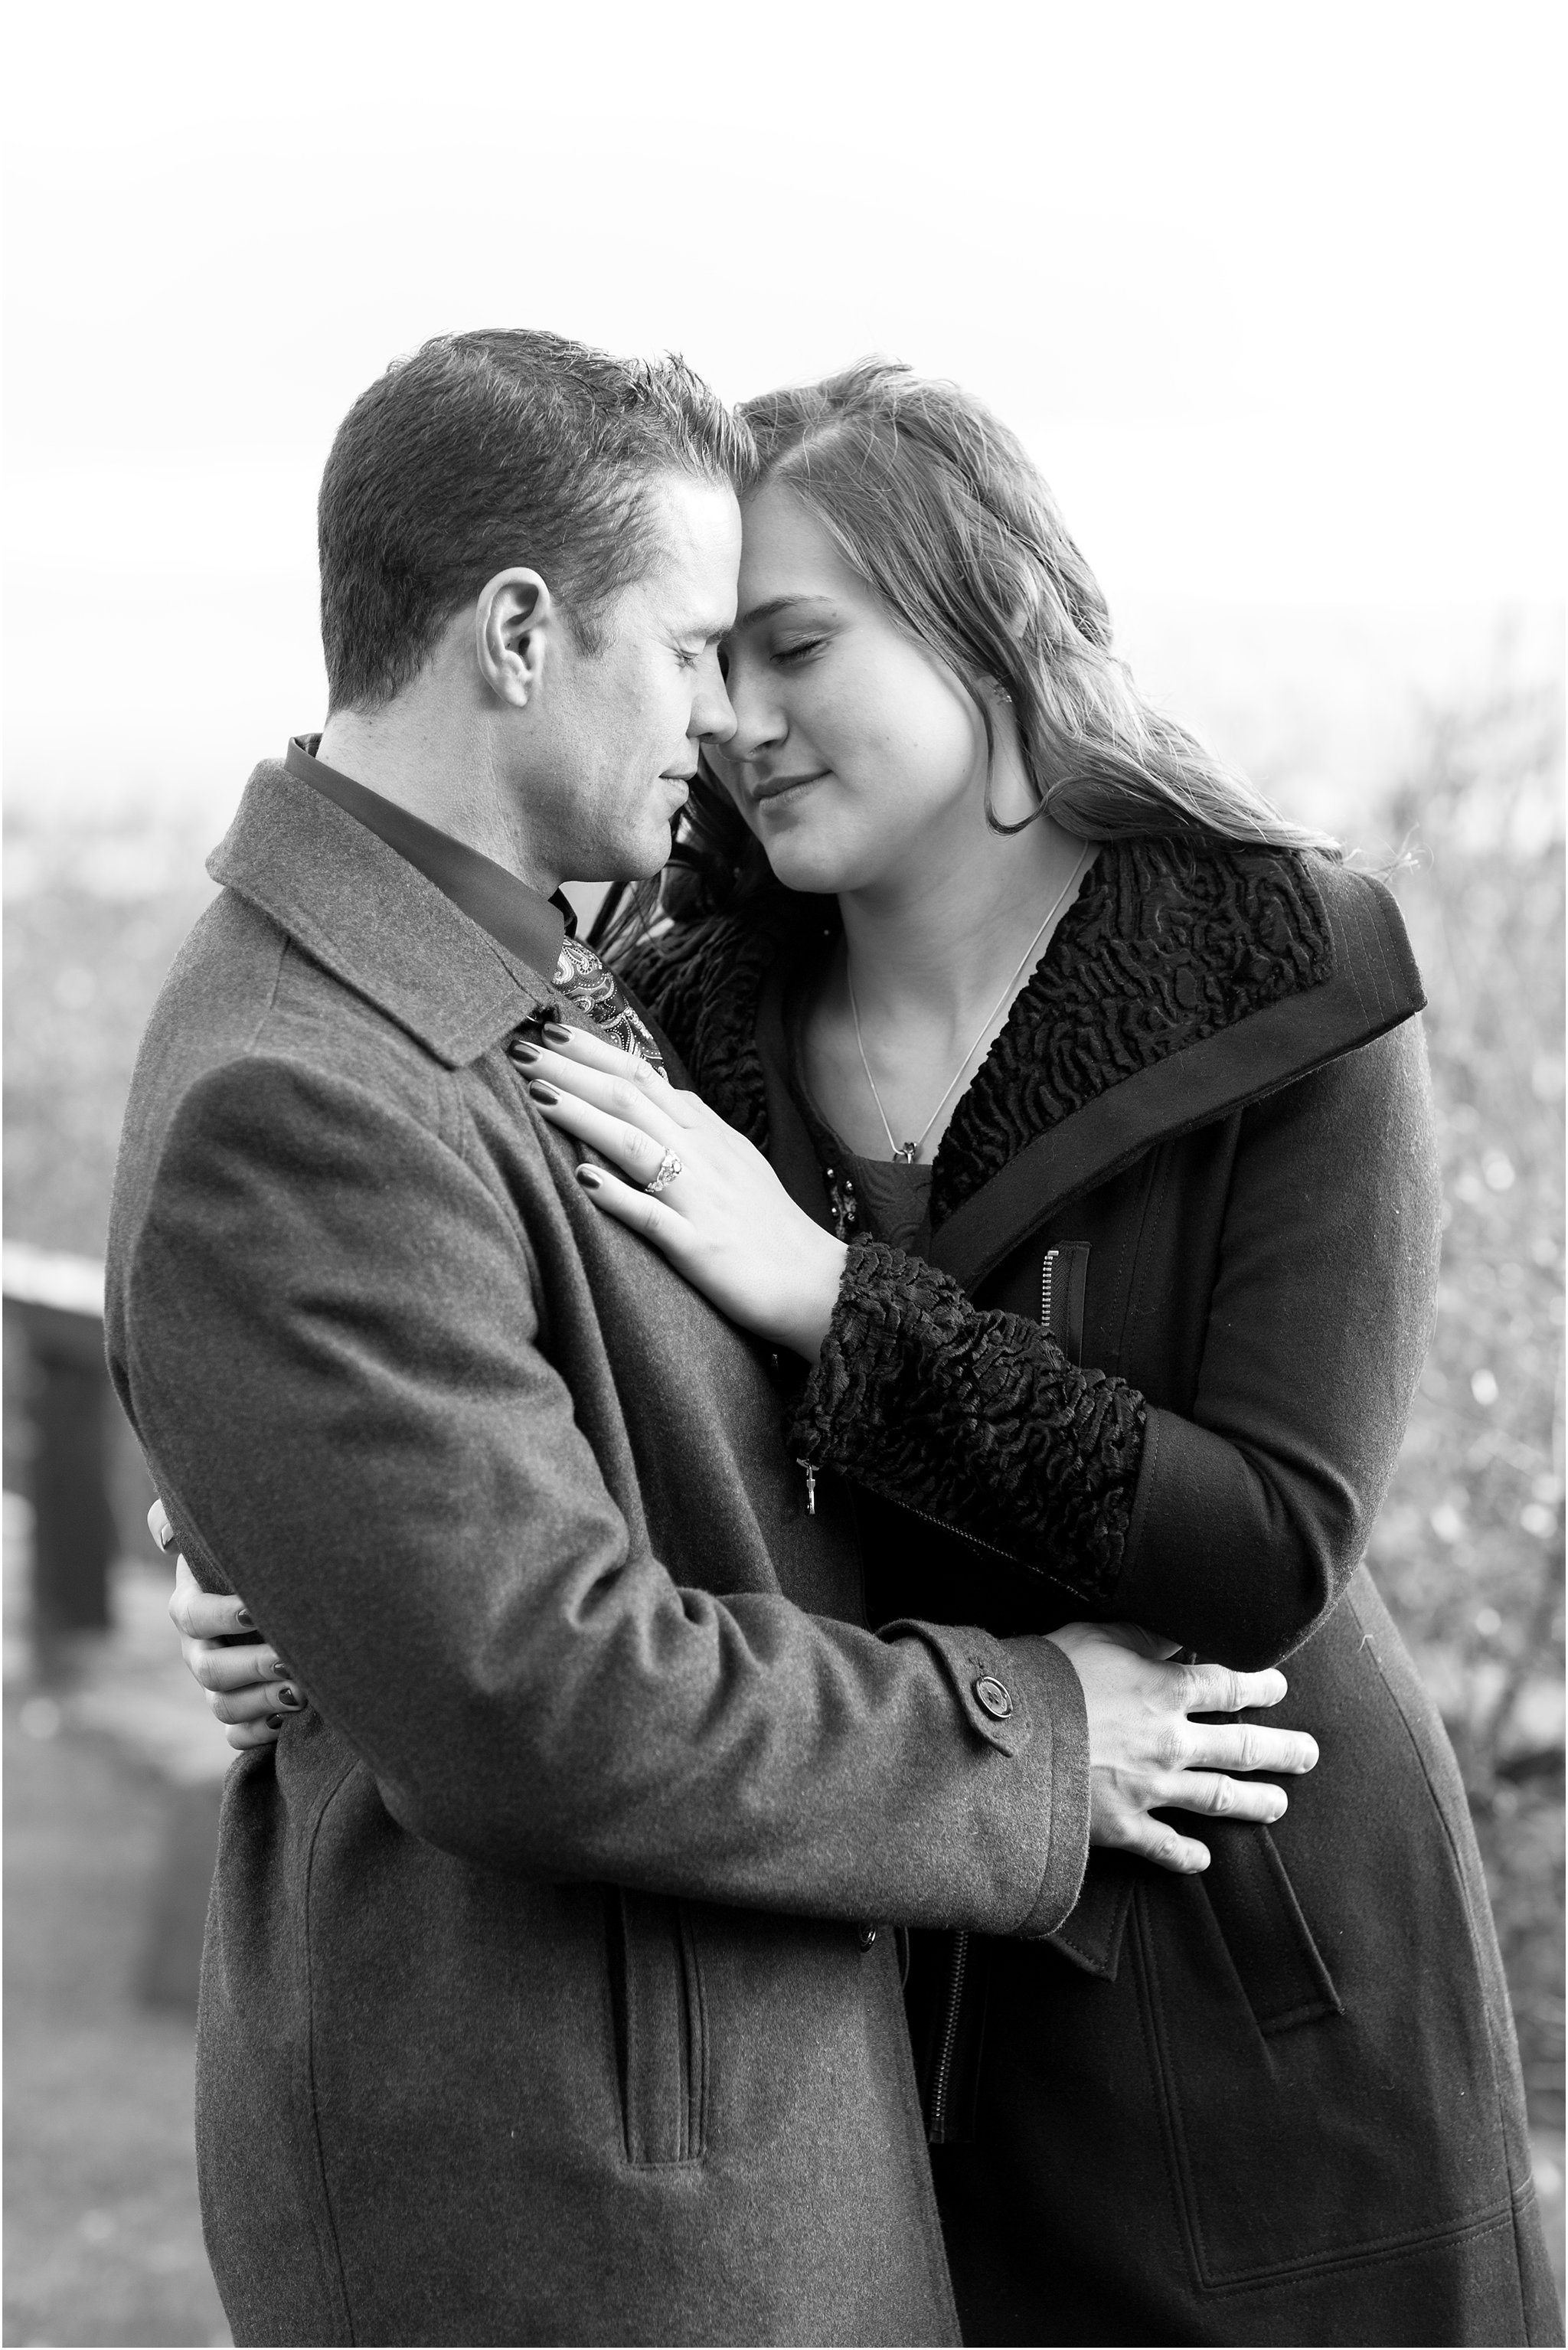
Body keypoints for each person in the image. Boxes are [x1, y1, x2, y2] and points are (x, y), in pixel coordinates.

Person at [109, 329, 1315, 2350]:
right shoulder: (308, 1088)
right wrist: (1029, 1742)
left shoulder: (545, 981)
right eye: (683, 647)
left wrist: (276, 1546)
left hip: (696, 2127)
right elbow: (549, 1698)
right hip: (570, 2199)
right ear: (516, 634)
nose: (722, 716)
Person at [466, 363, 1561, 2345]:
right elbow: (413, 1290)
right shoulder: (665, 1027)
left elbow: (1264, 1544)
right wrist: (242, 1561)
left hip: (1251, 1977)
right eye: (714, 659)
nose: (738, 722)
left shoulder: (1290, 972)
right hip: (836, 2001)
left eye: (797, 647)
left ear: (989, 610)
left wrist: (825, 1294)